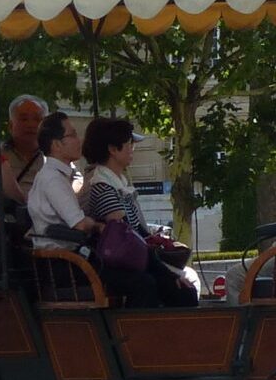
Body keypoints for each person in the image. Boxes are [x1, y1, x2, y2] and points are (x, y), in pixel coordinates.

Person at [81, 117, 197, 307]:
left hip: (132, 258)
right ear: (112, 149)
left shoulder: (117, 184)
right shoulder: (102, 187)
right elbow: (126, 240)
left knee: (182, 287)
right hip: (115, 263)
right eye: (129, 144)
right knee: (169, 288)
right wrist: (166, 272)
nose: (132, 149)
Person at [27, 111, 97, 251]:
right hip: (63, 260)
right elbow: (80, 224)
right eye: (73, 135)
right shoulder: (53, 179)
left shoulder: (53, 175)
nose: (79, 140)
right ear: (56, 145)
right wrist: (98, 225)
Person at [1, 95, 50, 205]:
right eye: (24, 119)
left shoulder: (54, 156)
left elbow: (76, 181)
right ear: (10, 126)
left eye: (37, 119)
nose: (31, 125)